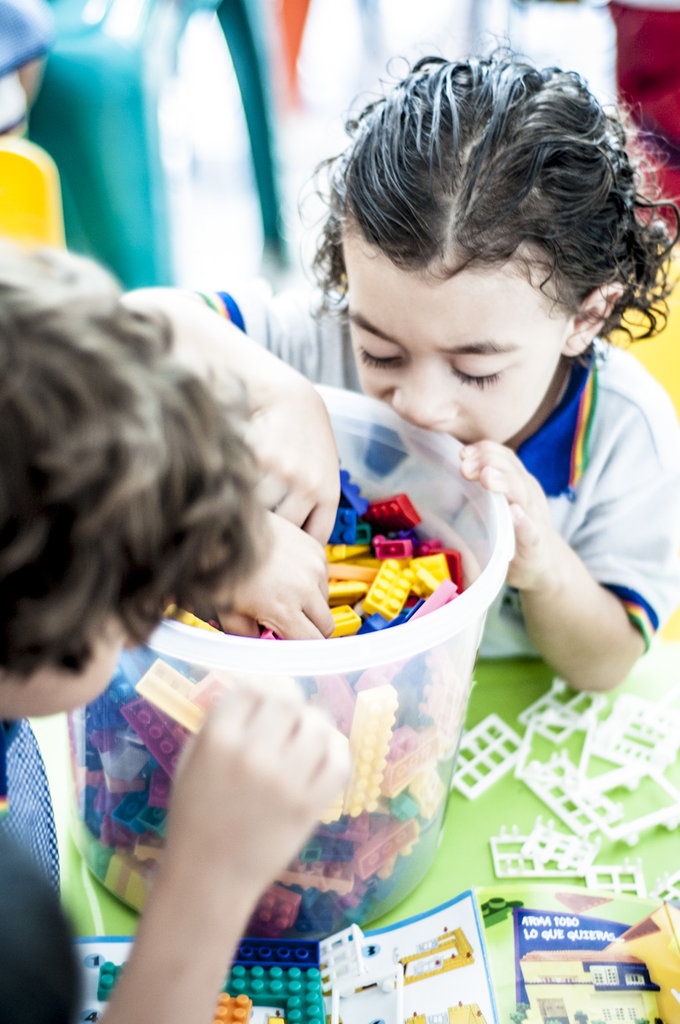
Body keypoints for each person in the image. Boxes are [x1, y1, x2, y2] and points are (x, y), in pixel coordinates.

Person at [194, 51, 680, 693]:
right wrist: (279, 392)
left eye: (476, 370)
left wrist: (546, 569)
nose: (419, 405)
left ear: (587, 316)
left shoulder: (627, 436)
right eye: (381, 354)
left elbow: (608, 663)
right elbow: (129, 330)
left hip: (507, 706)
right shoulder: (321, 341)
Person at [0, 242, 350, 1024]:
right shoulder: (14, 942)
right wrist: (209, 878)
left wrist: (283, 395)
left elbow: (132, 326)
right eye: (138, 597)